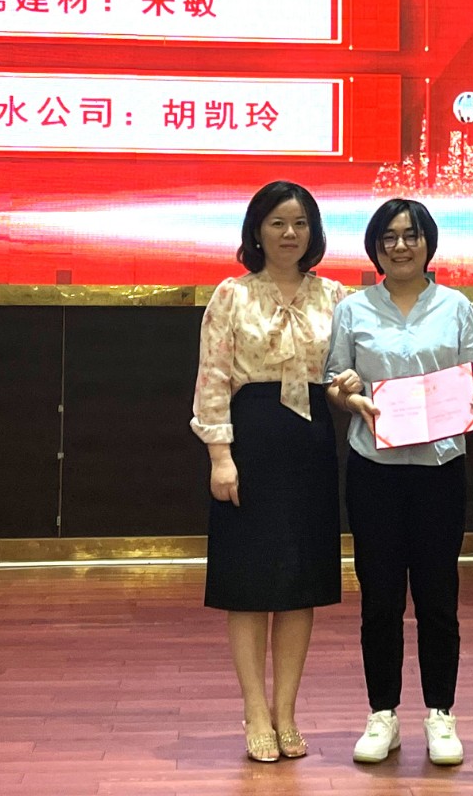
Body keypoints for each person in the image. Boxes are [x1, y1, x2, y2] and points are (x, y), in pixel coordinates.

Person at [322, 198, 473, 766]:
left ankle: (441, 714)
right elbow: (334, 378)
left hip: (440, 469)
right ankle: (383, 715)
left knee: (438, 596)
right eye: (389, 237)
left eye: (411, 235)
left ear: (428, 243)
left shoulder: (455, 305)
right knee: (380, 598)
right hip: (374, 468)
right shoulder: (353, 309)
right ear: (375, 247)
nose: (400, 246)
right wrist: (347, 393)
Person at [190, 180, 357, 763]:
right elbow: (213, 379)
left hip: (311, 443)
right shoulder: (232, 295)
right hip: (251, 440)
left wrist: (350, 385)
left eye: (301, 224)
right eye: (278, 223)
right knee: (247, 584)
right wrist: (220, 455)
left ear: (314, 233)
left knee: (297, 583)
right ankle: (254, 711)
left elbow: (341, 376)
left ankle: (286, 712)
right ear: (257, 230)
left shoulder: (335, 296)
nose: (290, 234)